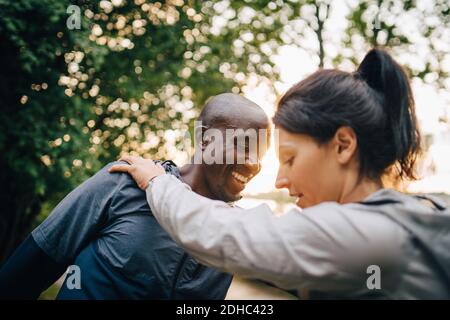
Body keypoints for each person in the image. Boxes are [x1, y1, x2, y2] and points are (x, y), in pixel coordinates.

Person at [109, 48, 450, 299]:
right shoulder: (415, 215)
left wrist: (155, 180)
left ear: (343, 145)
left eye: (289, 158)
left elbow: (221, 232)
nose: (279, 180)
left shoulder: (367, 234)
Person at [0, 93, 270, 300]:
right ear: (205, 140)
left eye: (261, 153)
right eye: (243, 146)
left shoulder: (235, 232)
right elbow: (27, 271)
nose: (254, 164)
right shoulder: (122, 182)